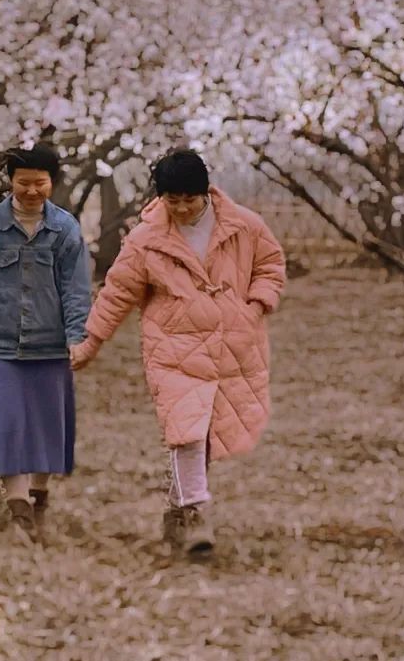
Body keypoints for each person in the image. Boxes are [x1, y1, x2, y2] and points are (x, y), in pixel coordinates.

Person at [70, 148, 286, 555]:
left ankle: (177, 505)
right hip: (173, 347)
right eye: (173, 200)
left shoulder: (245, 225)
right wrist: (91, 342)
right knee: (186, 430)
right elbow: (117, 293)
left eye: (190, 199)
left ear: (206, 192)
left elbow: (270, 265)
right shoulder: (146, 240)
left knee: (207, 434)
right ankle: (196, 512)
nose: (183, 209)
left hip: (230, 346)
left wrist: (256, 305)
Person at [0, 143, 92, 539]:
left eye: (40, 183)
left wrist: (78, 338)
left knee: (47, 425)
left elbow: (76, 290)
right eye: (23, 182)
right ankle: (18, 507)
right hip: (2, 344)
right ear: (10, 182)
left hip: (51, 344)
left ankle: (39, 494)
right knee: (6, 423)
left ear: (52, 183)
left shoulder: (65, 229)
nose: (31, 191)